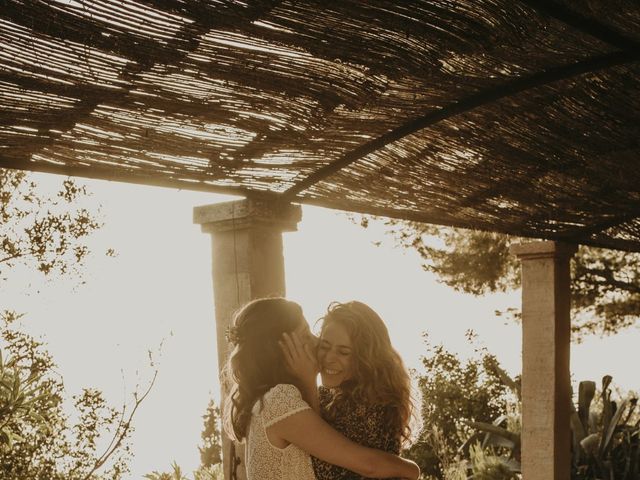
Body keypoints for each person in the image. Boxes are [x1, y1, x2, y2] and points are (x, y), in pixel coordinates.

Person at [222, 297, 420, 480]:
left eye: (343, 351)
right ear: (283, 348)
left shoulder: (369, 402)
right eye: (306, 336)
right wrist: (411, 469)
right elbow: (335, 468)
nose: (316, 343)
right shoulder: (279, 400)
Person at [284, 301, 414, 480]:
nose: (329, 358)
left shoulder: (374, 402)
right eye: (325, 346)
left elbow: (325, 471)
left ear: (366, 358)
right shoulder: (330, 395)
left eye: (343, 352)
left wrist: (307, 382)